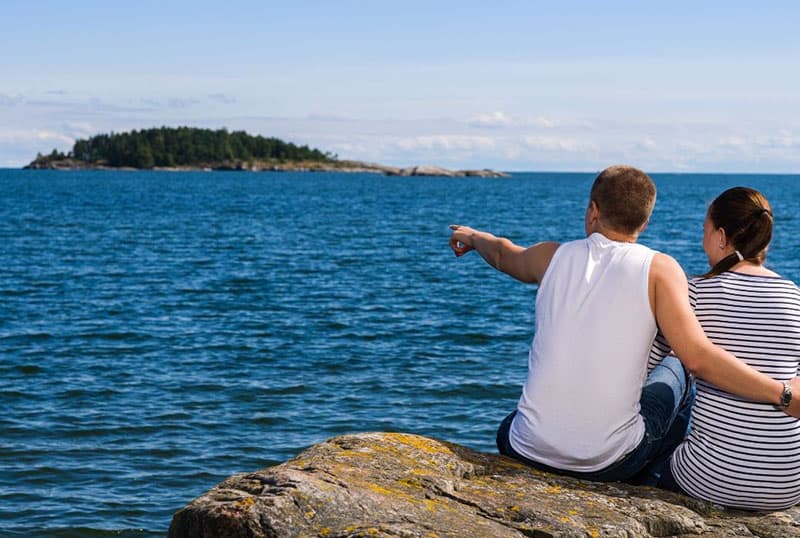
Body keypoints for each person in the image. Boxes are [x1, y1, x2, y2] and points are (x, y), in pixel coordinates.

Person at [449, 165, 800, 483]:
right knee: (677, 362)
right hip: (610, 461)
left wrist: (474, 236)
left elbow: (502, 253)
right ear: (644, 223)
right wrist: (780, 393)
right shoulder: (662, 269)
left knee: (519, 417)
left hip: (523, 446)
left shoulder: (550, 256)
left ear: (593, 210)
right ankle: (665, 466)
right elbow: (696, 357)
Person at [648, 187, 800, 510]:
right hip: (789, 485)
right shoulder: (793, 296)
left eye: (704, 231)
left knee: (677, 365)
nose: (702, 242)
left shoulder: (697, 292)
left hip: (714, 479)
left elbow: (648, 362)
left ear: (720, 236)